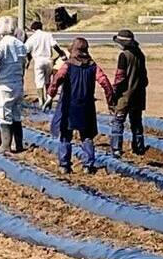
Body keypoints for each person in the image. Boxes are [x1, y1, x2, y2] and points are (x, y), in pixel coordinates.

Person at [47, 38, 113, 174]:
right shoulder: (93, 66)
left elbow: (57, 79)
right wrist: (110, 100)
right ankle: (88, 165)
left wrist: (51, 94)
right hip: (86, 106)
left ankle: (64, 165)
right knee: (87, 136)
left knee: (65, 135)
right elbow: (104, 82)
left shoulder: (68, 65)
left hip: (69, 105)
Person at [0, 16, 27, 153]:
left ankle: (5, 145)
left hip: (4, 84)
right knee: (16, 113)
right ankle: (19, 144)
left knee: (4, 113)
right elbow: (24, 63)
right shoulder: (20, 45)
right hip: (18, 83)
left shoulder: (2, 45)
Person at [109, 29, 148, 157]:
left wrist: (114, 92)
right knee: (136, 122)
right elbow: (145, 78)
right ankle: (139, 147)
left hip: (125, 95)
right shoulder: (140, 55)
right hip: (139, 94)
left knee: (118, 121)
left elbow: (120, 77)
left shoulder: (124, 56)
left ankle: (116, 149)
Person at [25, 20, 66, 109]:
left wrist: (28, 60)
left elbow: (26, 50)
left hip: (38, 61)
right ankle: (48, 99)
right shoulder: (48, 35)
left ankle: (41, 100)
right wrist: (62, 54)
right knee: (48, 81)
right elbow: (55, 46)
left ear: (33, 29)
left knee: (39, 81)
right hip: (48, 60)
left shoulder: (32, 38)